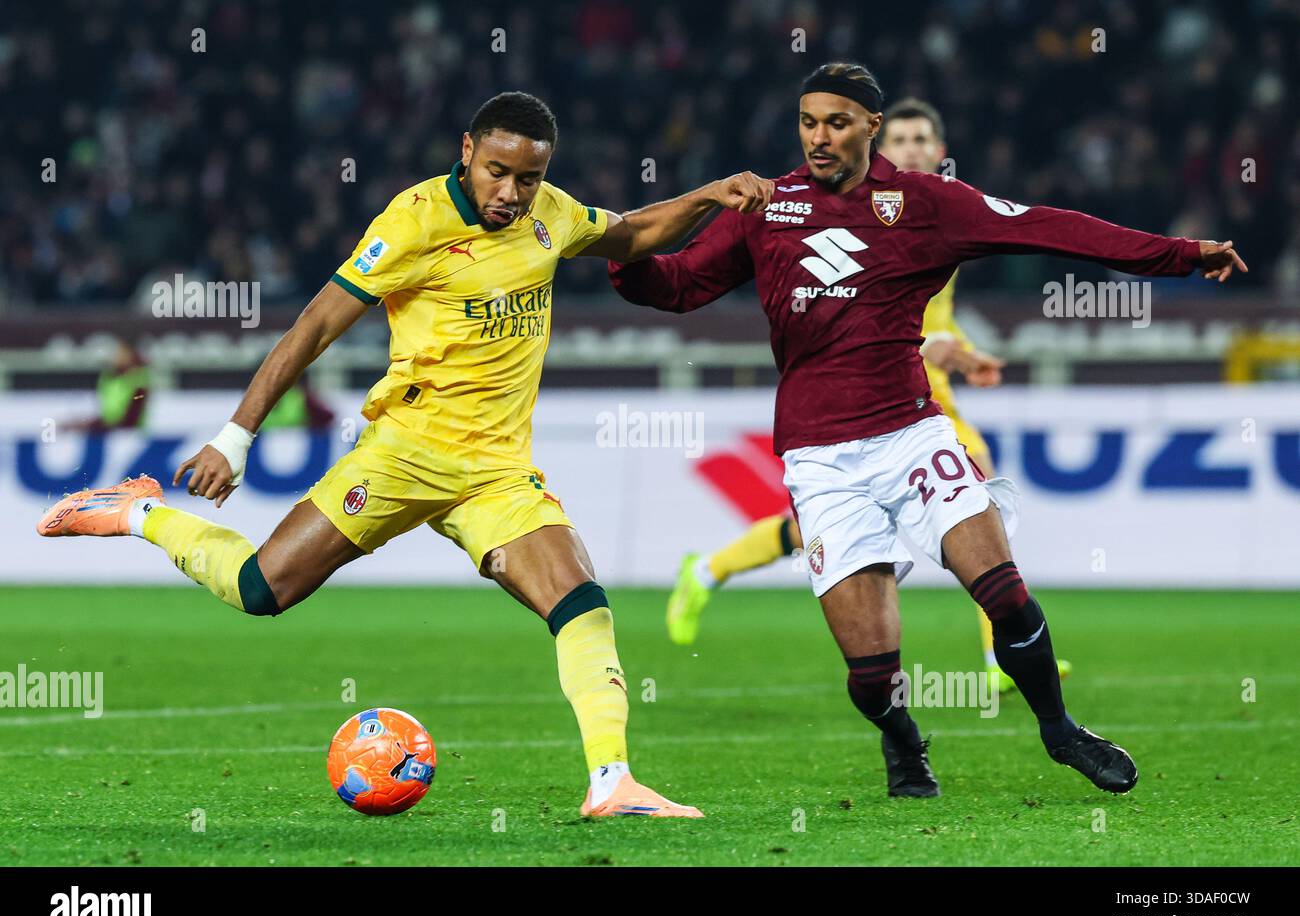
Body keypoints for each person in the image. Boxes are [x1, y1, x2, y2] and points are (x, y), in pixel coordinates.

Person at [37, 91, 773, 818]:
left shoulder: (551, 214)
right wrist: (235, 438)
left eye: (529, 178)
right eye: (496, 171)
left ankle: (611, 783)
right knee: (262, 590)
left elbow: (635, 235)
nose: (511, 193)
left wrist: (709, 194)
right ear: (467, 152)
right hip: (402, 455)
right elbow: (316, 326)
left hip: (496, 472)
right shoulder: (413, 222)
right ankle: (137, 515)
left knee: (582, 603)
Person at [609, 63, 1246, 798]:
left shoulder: (926, 204)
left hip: (912, 432)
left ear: (870, 128)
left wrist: (1179, 255)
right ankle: (904, 740)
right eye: (809, 121)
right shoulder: (766, 208)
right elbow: (680, 285)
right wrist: (623, 259)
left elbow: (1050, 228)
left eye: (837, 122)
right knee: (871, 676)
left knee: (1004, 592)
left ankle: (1060, 729)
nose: (819, 137)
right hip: (819, 456)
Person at [664, 97, 1070, 696]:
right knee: (943, 498)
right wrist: (938, 345)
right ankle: (998, 649)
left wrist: (957, 347)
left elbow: (930, 313)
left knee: (957, 503)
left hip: (923, 395)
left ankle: (709, 569)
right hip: (864, 391)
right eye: (898, 139)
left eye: (920, 139)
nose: (908, 148)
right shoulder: (858, 209)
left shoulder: (937, 209)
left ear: (939, 152)